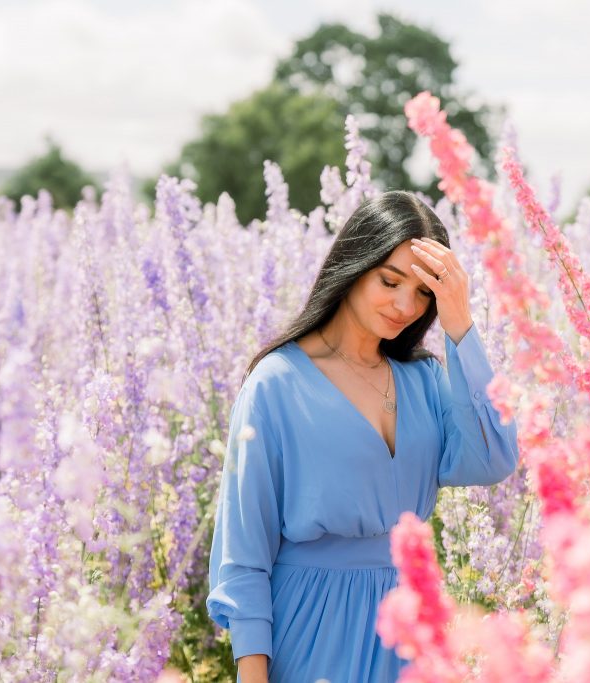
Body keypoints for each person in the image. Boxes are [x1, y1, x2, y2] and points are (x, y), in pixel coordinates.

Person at [206, 191, 519, 682]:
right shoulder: (276, 383)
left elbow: (493, 458)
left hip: (410, 628)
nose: (404, 306)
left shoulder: (425, 380)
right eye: (390, 280)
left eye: (423, 293)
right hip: (311, 627)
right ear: (354, 264)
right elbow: (243, 551)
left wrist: (460, 325)